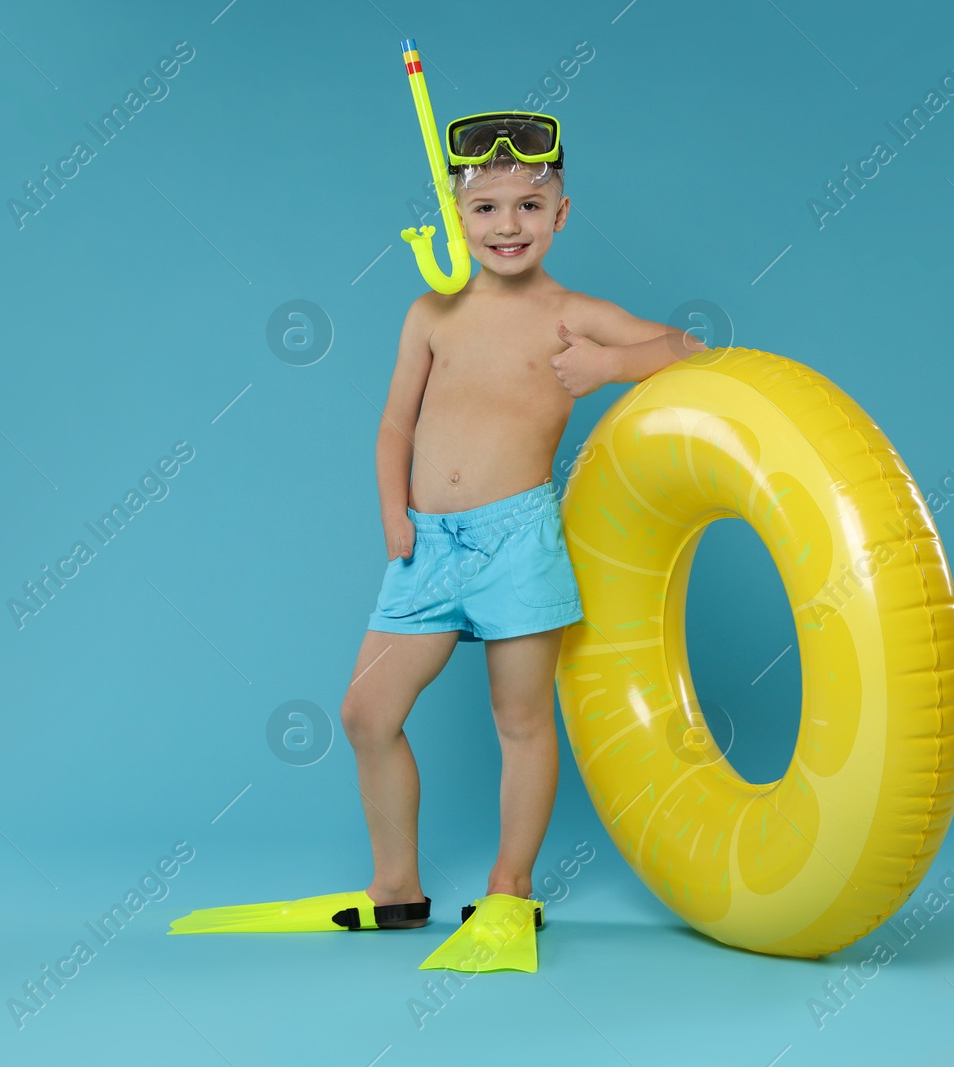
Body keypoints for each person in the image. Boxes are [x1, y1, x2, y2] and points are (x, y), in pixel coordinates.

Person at [168, 113, 702, 972]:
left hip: (517, 539)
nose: (508, 225)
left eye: (530, 204)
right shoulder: (431, 313)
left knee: (521, 719)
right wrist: (394, 514)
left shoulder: (575, 315)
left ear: (562, 212)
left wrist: (609, 367)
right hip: (428, 546)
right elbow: (392, 427)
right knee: (365, 713)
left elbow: (688, 348)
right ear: (457, 219)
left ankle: (510, 890)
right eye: (485, 208)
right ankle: (395, 890)